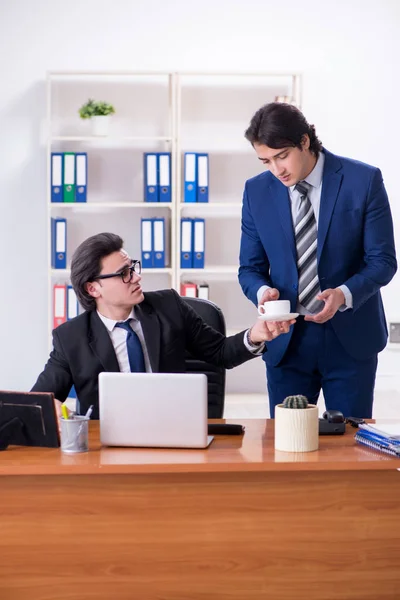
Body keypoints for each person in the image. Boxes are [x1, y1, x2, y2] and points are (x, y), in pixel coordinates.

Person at [239, 102, 397, 418]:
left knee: (351, 448)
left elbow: (383, 260)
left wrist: (343, 294)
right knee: (289, 447)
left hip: (351, 339)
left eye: (282, 156)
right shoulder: (257, 190)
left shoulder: (362, 180)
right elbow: (250, 269)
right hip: (287, 341)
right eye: (266, 161)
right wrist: (262, 292)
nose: (276, 169)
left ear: (305, 141)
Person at [32, 232, 294, 419]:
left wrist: (256, 335)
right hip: (105, 447)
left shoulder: (169, 306)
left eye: (133, 267)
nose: (136, 276)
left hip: (174, 430)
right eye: (124, 273)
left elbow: (220, 352)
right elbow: (38, 401)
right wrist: (49, 407)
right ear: (93, 288)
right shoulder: (71, 338)